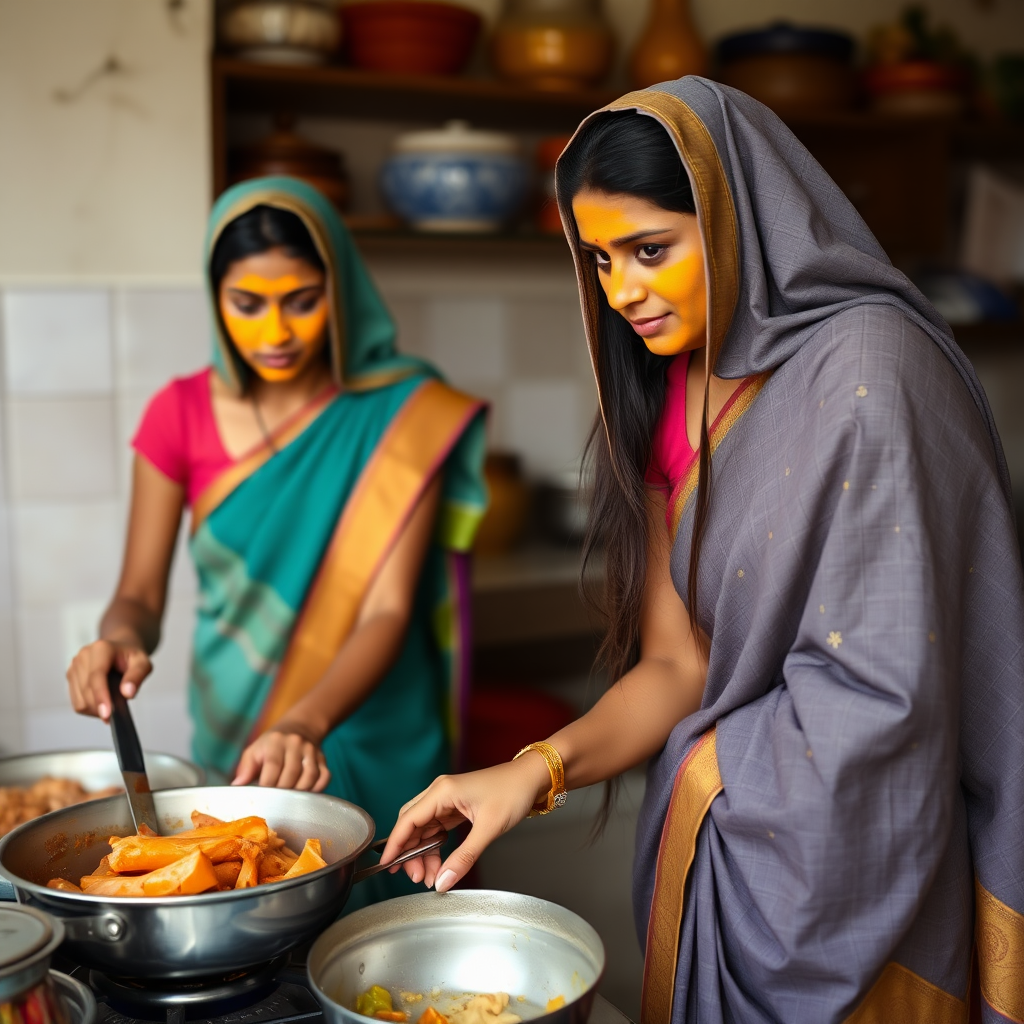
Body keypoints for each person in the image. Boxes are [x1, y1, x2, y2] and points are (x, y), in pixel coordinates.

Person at [381, 79, 1024, 1022]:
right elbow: (680, 662)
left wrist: (721, 766)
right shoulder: (665, 393)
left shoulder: (871, 373)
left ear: (736, 219)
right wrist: (530, 772)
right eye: (599, 258)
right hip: (736, 853)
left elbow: (893, 701)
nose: (622, 291)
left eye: (651, 250)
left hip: (864, 856)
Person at [66, 177, 487, 907]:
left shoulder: (400, 414)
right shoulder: (180, 413)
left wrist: (305, 720)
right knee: (247, 911)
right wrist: (119, 641)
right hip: (240, 725)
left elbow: (387, 611)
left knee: (393, 947)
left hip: (374, 723)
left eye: (301, 300)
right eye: (247, 305)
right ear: (214, 299)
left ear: (340, 291)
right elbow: (137, 594)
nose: (277, 333)